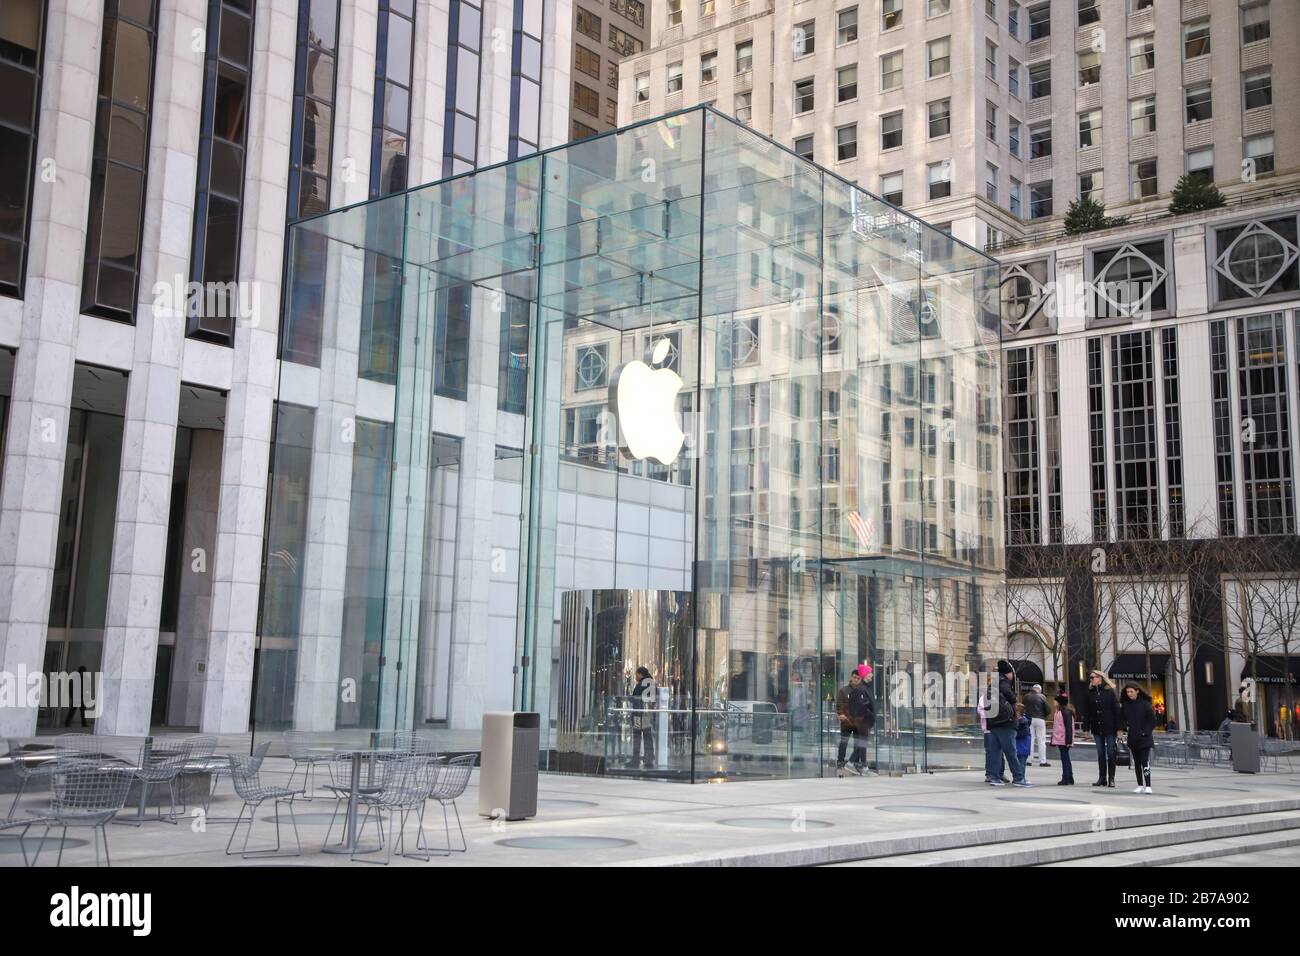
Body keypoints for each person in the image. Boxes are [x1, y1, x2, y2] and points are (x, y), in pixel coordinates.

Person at [986, 660, 1030, 787]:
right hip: (1006, 722)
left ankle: (994, 777)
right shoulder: (1003, 681)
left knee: (995, 752)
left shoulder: (992, 683)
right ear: (1008, 673)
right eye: (1011, 673)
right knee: (1011, 751)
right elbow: (1008, 693)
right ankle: (1019, 778)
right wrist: (1014, 701)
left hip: (993, 721)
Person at [1083, 669, 1122, 788]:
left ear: (1100, 678)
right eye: (1090, 678)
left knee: (1111, 753)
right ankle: (1102, 777)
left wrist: (1120, 728)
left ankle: (1111, 778)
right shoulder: (1090, 693)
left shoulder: (1110, 692)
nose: (1091, 679)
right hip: (1096, 727)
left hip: (1110, 727)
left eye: (1092, 677)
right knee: (1100, 754)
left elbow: (1117, 710)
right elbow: (1087, 712)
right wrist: (1086, 728)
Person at [835, 664, 876, 776]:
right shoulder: (845, 690)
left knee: (859, 742)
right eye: (855, 677)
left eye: (858, 678)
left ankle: (855, 763)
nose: (856, 679)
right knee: (845, 742)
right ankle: (843, 761)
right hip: (849, 721)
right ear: (851, 677)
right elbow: (841, 704)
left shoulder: (862, 689)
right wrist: (841, 714)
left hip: (858, 721)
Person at [1121, 683, 1157, 794]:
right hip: (1133, 738)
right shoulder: (1126, 705)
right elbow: (1122, 718)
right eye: (1128, 692)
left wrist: (1145, 733)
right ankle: (1140, 785)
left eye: (1131, 691)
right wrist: (1124, 729)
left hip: (1144, 739)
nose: (1129, 694)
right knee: (1136, 762)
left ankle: (1148, 785)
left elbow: (1152, 721)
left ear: (1137, 691)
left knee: (1144, 761)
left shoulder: (1145, 704)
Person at [978, 691, 1008, 784]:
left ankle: (999, 773)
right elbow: (981, 711)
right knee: (991, 752)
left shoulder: (1002, 696)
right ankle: (990, 774)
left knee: (1000, 752)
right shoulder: (985, 697)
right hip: (989, 729)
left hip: (998, 728)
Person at [630, 666, 657, 769]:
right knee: (647, 737)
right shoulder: (651, 682)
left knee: (637, 736)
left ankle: (635, 759)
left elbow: (635, 698)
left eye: (636, 674)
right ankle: (649, 759)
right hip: (647, 715)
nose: (635, 676)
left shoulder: (641, 684)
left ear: (640, 674)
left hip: (639, 714)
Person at [1023, 682, 1051, 767]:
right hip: (1040, 719)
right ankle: (1043, 761)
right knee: (1041, 740)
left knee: (1030, 740)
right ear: (1039, 690)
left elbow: (1022, 707)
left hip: (1028, 719)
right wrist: (1044, 716)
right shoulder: (1042, 697)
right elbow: (1048, 709)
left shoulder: (1026, 696)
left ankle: (1028, 760)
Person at [1051, 693, 1075, 785]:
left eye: (1055, 701)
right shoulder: (1058, 712)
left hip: (1064, 739)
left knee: (1064, 758)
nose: (1053, 702)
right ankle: (1069, 777)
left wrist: (1068, 740)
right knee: (1065, 757)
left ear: (1059, 702)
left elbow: (1068, 727)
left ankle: (1066, 777)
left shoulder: (1065, 712)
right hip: (1061, 739)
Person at [1014, 702, 1032, 768]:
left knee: (1021, 763)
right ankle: (1021, 777)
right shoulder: (1023, 720)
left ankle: (1020, 777)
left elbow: (1023, 734)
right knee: (1020, 763)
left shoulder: (1023, 721)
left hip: (1022, 745)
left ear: (1018, 712)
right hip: (1022, 745)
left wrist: (1014, 734)